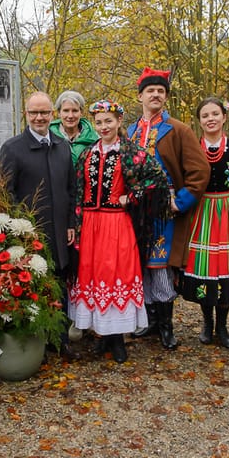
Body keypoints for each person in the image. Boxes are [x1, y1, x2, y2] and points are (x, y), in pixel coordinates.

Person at [69, 99, 169, 363]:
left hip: (117, 224)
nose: (103, 126)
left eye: (108, 121)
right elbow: (79, 192)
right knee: (94, 276)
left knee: (116, 275)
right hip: (90, 225)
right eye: (99, 122)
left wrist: (132, 195)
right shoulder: (87, 153)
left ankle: (118, 340)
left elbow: (157, 180)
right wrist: (77, 225)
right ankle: (103, 336)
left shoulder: (131, 152)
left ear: (118, 122)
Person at [126, 67, 210, 350]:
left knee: (160, 266)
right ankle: (150, 320)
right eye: (150, 91)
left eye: (161, 91)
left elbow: (200, 170)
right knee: (143, 266)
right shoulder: (130, 131)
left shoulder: (178, 129)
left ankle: (166, 326)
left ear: (166, 97)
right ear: (140, 96)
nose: (156, 95)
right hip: (136, 211)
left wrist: (180, 201)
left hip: (164, 212)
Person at [0, 92, 79, 360]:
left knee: (60, 285)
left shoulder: (62, 146)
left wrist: (71, 224)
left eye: (44, 112)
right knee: (33, 288)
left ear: (52, 115)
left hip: (60, 231)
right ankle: (36, 345)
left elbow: (71, 189)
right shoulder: (13, 148)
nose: (39, 117)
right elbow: (6, 193)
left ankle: (61, 340)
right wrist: (17, 230)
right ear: (26, 114)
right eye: (34, 112)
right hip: (30, 234)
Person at [180, 97, 229, 349]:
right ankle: (206, 322)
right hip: (201, 211)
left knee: (225, 268)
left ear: (224, 117)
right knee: (205, 268)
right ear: (199, 120)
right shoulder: (191, 147)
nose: (210, 119)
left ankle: (222, 326)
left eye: (215, 114)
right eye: (205, 115)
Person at [49, 90, 99, 165]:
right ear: (59, 113)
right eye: (66, 111)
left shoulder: (94, 138)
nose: (70, 116)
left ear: (81, 112)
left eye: (75, 111)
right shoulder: (48, 136)